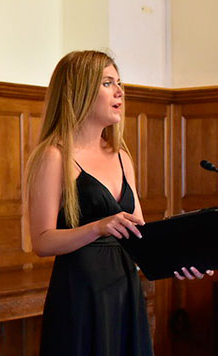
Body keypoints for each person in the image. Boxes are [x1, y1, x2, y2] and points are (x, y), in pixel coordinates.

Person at [24, 50, 211, 356]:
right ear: (79, 90)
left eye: (119, 82)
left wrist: (182, 260)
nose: (120, 91)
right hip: (80, 295)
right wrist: (98, 227)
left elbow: (141, 235)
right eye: (108, 83)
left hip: (124, 289)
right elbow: (42, 242)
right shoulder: (53, 156)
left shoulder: (122, 155)